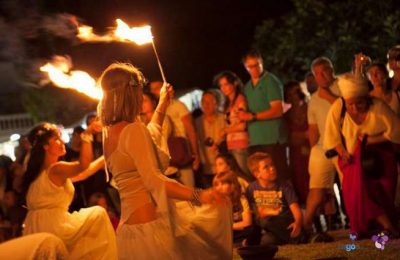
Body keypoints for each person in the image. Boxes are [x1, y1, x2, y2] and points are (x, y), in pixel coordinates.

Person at [99, 63, 232, 260]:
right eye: (139, 89)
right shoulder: (133, 130)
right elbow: (154, 180)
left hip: (129, 232)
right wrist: (198, 195)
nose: (141, 95)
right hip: (149, 229)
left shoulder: (107, 133)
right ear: (130, 92)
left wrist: (162, 104)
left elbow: (147, 140)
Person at [22, 123, 117, 259]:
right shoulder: (56, 169)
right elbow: (83, 165)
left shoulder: (43, 173)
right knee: (99, 214)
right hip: (53, 227)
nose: (62, 142)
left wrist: (107, 153)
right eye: (57, 139)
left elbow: (84, 172)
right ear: (45, 146)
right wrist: (87, 134)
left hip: (37, 226)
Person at [324, 73, 400, 237]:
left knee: (384, 191)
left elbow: (396, 131)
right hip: (352, 158)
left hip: (381, 155)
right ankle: (377, 227)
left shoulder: (378, 107)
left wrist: (370, 140)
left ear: (367, 98)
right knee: (358, 193)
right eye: (351, 104)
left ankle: (386, 227)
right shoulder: (339, 107)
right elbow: (331, 136)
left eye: (360, 103)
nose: (355, 108)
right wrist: (342, 151)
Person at [304, 57, 341, 240]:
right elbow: (313, 129)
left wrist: (329, 97)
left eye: (325, 71)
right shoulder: (313, 100)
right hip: (322, 148)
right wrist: (313, 150)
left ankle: (360, 225)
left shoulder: (342, 86)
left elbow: (351, 110)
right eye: (317, 73)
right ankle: (304, 226)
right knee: (316, 190)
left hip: (343, 145)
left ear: (332, 70)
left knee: (351, 187)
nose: (322, 76)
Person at [238, 49, 288, 180]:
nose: (254, 69)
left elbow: (277, 110)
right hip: (256, 139)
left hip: (272, 138)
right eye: (250, 66)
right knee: (262, 179)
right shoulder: (247, 87)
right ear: (245, 67)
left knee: (278, 176)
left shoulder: (270, 81)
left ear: (262, 63)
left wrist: (253, 117)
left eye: (257, 65)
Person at [245, 152, 302, 246]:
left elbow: (296, 210)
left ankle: (297, 237)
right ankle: (293, 239)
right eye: (266, 167)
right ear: (257, 174)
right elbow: (253, 212)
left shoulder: (284, 186)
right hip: (267, 227)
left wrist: (298, 223)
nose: (272, 168)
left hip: (283, 222)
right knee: (267, 241)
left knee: (265, 221)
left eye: (272, 164)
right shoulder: (251, 189)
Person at [150, 80, 200, 187]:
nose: (155, 91)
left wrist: (195, 152)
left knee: (188, 187)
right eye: (152, 89)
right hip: (165, 156)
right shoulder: (154, 111)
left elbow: (190, 130)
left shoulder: (178, 105)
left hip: (180, 151)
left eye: (157, 87)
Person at [214, 71, 251, 178]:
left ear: (234, 83)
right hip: (232, 144)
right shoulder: (229, 103)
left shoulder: (240, 100)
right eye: (221, 85)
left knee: (245, 175)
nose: (223, 88)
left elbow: (243, 125)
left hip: (240, 144)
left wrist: (225, 131)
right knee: (238, 176)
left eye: (226, 84)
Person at [284, 81, 310, 206]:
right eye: (290, 94)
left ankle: (330, 217)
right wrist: (303, 135)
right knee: (301, 183)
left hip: (313, 150)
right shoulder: (286, 116)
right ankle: (312, 220)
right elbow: (288, 137)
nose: (294, 96)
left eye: (296, 92)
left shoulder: (310, 108)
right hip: (297, 154)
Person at [195, 90, 226, 187]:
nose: (206, 105)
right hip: (206, 166)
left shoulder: (224, 118)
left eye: (209, 102)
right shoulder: (197, 122)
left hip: (223, 166)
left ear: (216, 104)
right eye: (203, 102)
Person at [213, 170, 252, 244]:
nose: (219, 187)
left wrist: (231, 226)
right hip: (226, 230)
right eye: (217, 184)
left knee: (252, 229)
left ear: (232, 185)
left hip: (237, 228)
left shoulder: (241, 199)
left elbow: (247, 222)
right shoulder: (215, 201)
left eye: (223, 183)